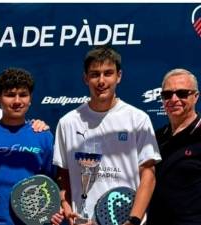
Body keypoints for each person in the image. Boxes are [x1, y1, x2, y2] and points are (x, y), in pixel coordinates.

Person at [52, 45, 161, 225]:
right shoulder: (68, 122)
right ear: (85, 78)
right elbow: (63, 174)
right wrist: (66, 205)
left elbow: (148, 174)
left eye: (108, 73)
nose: (101, 81)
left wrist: (133, 220)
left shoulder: (138, 119)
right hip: (84, 222)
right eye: (95, 74)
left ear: (119, 76)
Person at [0, 68, 64, 225]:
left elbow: (51, 183)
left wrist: (54, 211)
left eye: (23, 95)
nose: (17, 101)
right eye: (10, 95)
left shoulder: (43, 136)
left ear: (30, 99)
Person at [147, 68, 201, 225]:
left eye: (182, 93)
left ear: (196, 97)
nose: (174, 99)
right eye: (167, 94)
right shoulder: (157, 136)